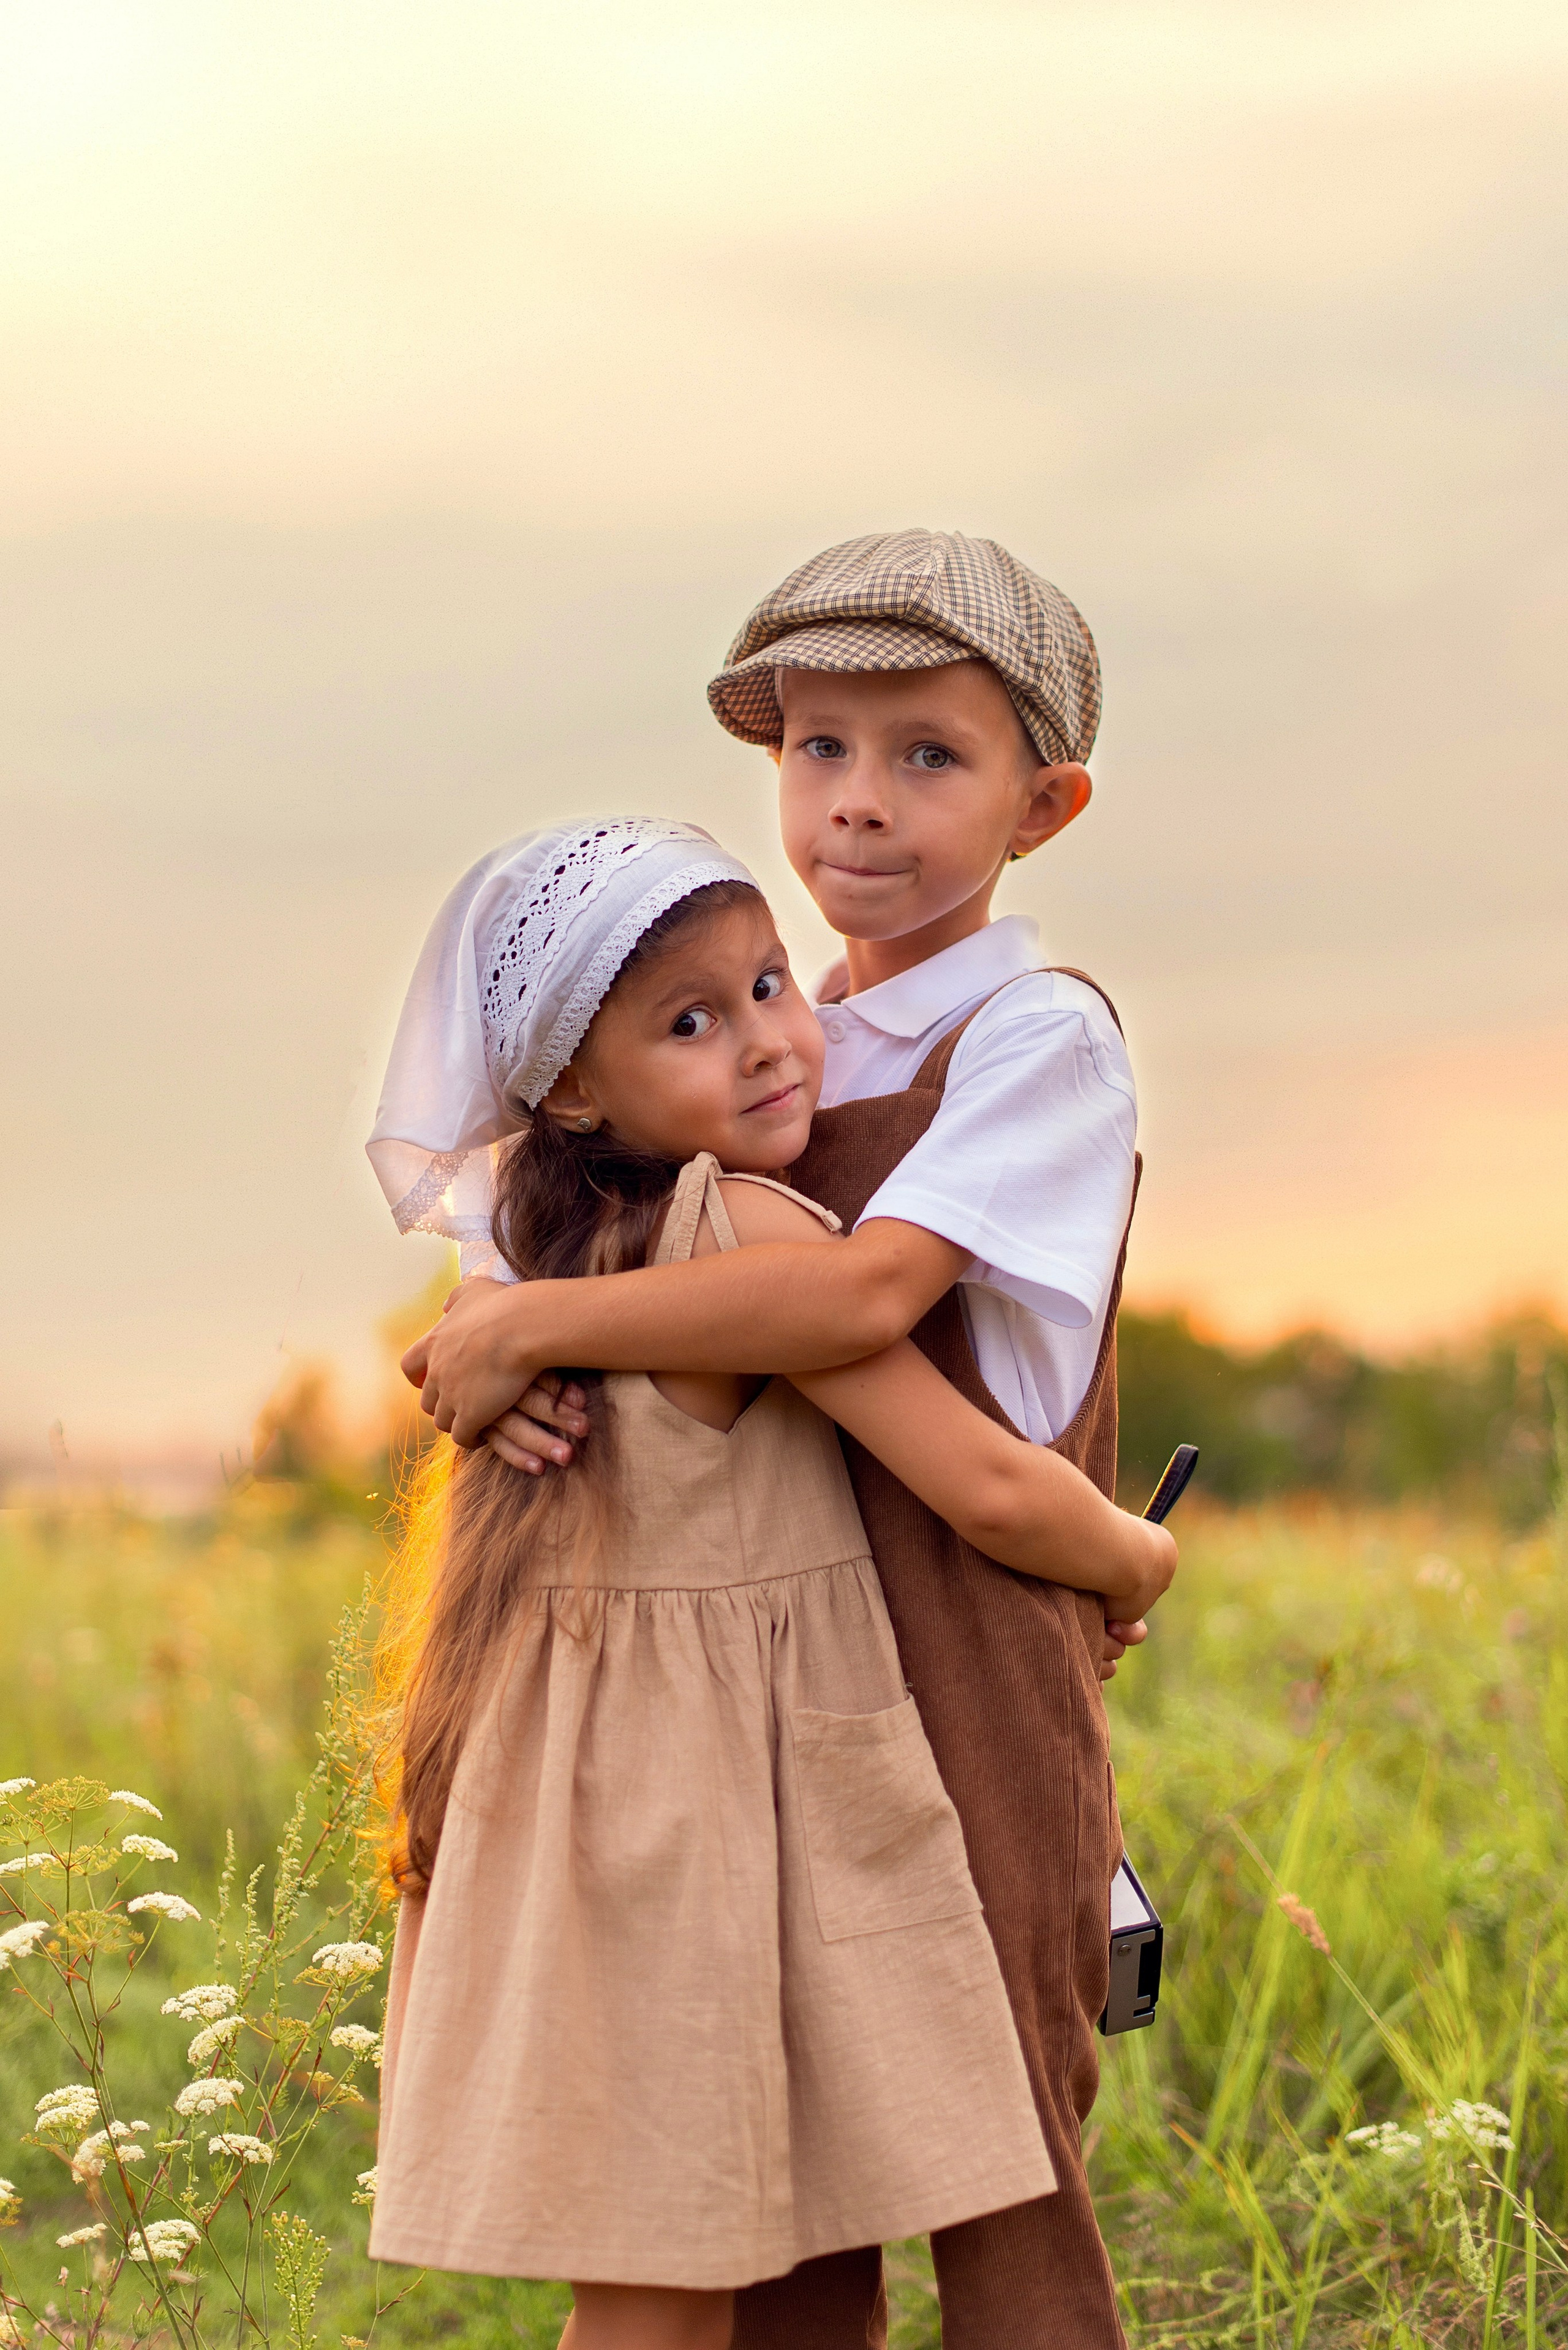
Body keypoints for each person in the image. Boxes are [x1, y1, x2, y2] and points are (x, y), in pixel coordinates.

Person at [402, 533, 1153, 2349]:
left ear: (1042, 804)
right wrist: (509, 1355)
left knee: (1004, 2153)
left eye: (929, 756)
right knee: (800, 2170)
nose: (860, 806)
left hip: (965, 1614)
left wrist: (524, 1327)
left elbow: (854, 1302)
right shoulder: (750, 1058)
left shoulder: (1029, 1038)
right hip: (760, 1662)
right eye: (820, 749)